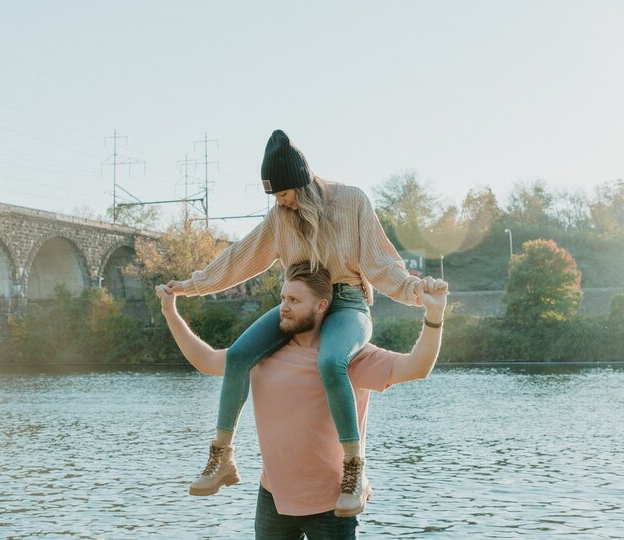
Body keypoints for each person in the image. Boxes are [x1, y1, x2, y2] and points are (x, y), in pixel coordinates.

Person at [161, 129, 447, 514]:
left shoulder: (351, 202)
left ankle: (353, 467)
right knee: (240, 354)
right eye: (275, 197)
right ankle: (223, 456)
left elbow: (381, 264)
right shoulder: (280, 218)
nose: (280, 202)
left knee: (332, 361)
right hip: (301, 304)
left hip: (346, 304)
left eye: (283, 193)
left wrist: (417, 292)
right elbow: (240, 257)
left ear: (301, 182)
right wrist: (191, 286)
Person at [156, 262, 447, 538]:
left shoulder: (348, 357)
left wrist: (434, 317)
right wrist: (170, 311)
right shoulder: (261, 353)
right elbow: (206, 361)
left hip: (332, 504)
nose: (284, 307)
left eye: (295, 300)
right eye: (283, 298)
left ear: (321, 306)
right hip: (273, 497)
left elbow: (416, 368)